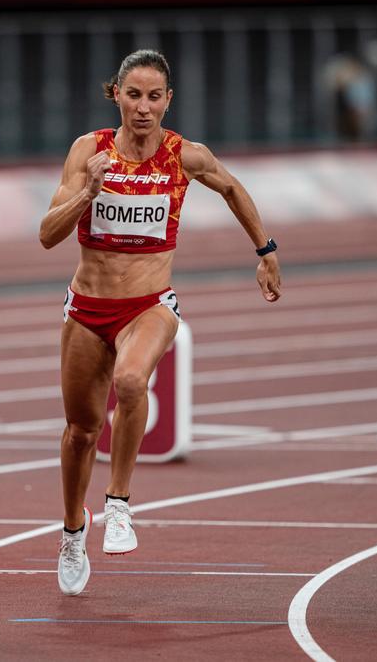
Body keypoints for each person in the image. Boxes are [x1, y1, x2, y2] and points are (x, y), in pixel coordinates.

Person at [39, 50, 282, 595]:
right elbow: (47, 234)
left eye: (154, 97)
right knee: (80, 431)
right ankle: (73, 532)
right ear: (116, 96)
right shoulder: (88, 151)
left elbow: (232, 188)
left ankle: (119, 505)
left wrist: (265, 249)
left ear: (168, 101)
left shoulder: (185, 156)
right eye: (133, 95)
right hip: (86, 308)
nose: (143, 107)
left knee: (130, 381)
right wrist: (87, 193)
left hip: (148, 303)